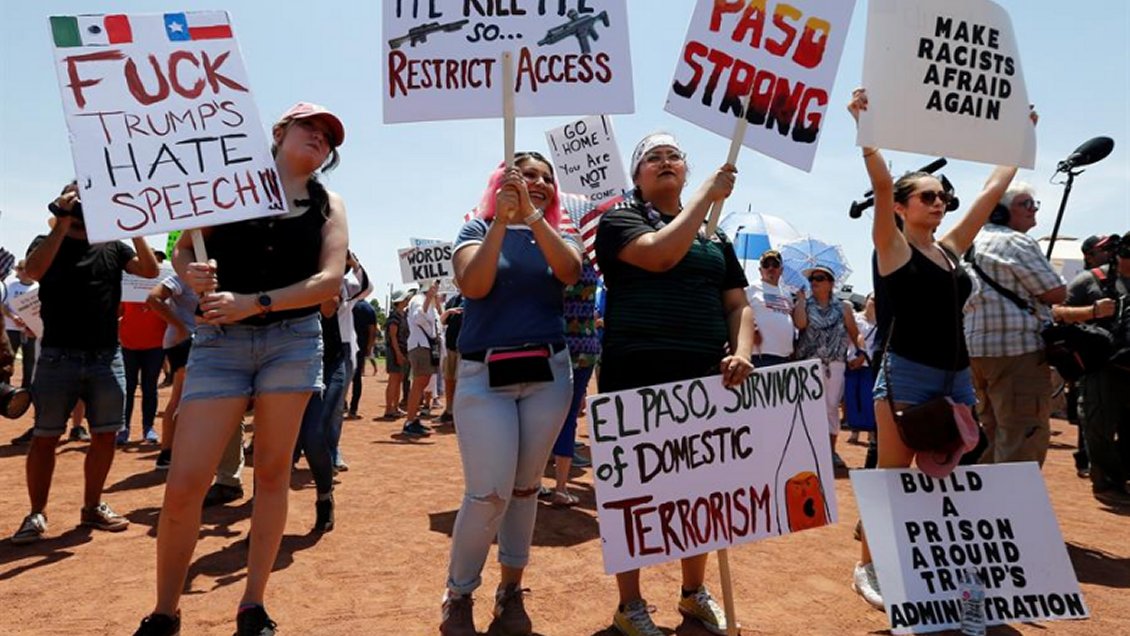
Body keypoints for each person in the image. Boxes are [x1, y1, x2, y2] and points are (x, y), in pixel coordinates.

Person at [133, 101, 348, 636]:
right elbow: (183, 251)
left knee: (272, 475)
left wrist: (256, 302)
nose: (319, 138)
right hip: (219, 343)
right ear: (279, 132)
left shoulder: (329, 204)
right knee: (186, 482)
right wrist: (192, 273)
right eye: (309, 127)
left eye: (327, 136)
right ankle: (165, 611)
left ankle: (253, 605)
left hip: (292, 342)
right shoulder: (226, 185)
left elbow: (329, 280)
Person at [847, 88, 1037, 610]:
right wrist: (867, 132)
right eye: (927, 196)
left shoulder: (951, 252)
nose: (939, 202)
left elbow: (989, 193)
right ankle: (867, 566)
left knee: (951, 473)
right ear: (902, 207)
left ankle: (934, 565)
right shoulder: (891, 249)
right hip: (906, 373)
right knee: (893, 474)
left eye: (941, 198)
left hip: (956, 377)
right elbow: (881, 185)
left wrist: (1019, 137)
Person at [595, 133, 754, 636]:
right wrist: (707, 195)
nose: (665, 162)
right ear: (638, 176)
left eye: (674, 156)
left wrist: (743, 351)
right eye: (653, 158)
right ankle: (630, 605)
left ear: (685, 170)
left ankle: (693, 592)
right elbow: (659, 255)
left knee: (698, 489)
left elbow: (737, 303)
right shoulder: (619, 220)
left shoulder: (715, 236)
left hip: (702, 381)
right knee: (633, 493)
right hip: (634, 375)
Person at [439, 151, 581, 636]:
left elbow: (570, 271)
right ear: (502, 182)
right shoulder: (475, 230)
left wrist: (533, 218)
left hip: (548, 374)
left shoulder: (559, 233)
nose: (537, 181)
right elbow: (473, 285)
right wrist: (500, 222)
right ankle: (459, 594)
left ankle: (510, 592)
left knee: (525, 489)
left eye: (546, 178)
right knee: (488, 494)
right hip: (485, 376)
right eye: (526, 174)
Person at [10, 181, 159, 546]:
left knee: (105, 435)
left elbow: (150, 271)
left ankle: (92, 506)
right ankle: (37, 512)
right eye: (75, 198)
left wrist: (134, 226)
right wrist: (62, 221)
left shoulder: (113, 246)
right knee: (46, 436)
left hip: (105, 356)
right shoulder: (46, 241)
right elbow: (33, 271)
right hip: (57, 356)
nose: (82, 205)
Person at [964, 182, 1066, 466]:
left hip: (977, 353)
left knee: (994, 433)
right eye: (1025, 204)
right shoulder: (1017, 242)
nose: (1033, 210)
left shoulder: (968, 244)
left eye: (1034, 204)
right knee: (1023, 436)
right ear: (998, 211)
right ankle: (1014, 495)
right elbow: (1056, 292)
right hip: (1017, 351)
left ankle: (990, 493)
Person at [1051, 232, 1130, 506]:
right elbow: (1057, 313)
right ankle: (1107, 484)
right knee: (1098, 428)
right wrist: (1093, 312)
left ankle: (1119, 476)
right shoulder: (1090, 280)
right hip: (1102, 367)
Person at [793, 265, 865, 469]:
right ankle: (809, 451)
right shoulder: (805, 305)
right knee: (809, 407)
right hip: (808, 364)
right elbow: (800, 324)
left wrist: (861, 352)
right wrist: (800, 301)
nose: (814, 282)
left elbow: (855, 332)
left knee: (832, 407)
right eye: (812, 279)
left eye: (819, 278)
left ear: (831, 283)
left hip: (835, 363)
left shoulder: (844, 307)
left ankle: (830, 451)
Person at [543, 255, 601, 507]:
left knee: (541, 414)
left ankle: (533, 481)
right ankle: (561, 488)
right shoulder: (594, 267)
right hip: (585, 347)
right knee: (569, 417)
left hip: (553, 345)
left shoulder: (555, 262)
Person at [1069, 233, 1119, 476]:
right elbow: (1060, 313)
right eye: (1104, 249)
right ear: (1089, 256)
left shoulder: (1122, 278)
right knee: (1091, 412)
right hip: (1094, 359)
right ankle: (1086, 459)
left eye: (1113, 248)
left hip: (1121, 358)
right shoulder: (1084, 281)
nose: (1111, 253)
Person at [145, 273, 199, 470]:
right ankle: (169, 452)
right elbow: (153, 298)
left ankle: (169, 452)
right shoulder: (182, 277)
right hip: (184, 343)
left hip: (197, 342)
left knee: (183, 397)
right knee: (182, 398)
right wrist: (182, 328)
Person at [118, 300, 169, 445]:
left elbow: (170, 312)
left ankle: (148, 427)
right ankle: (123, 428)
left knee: (150, 387)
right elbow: (118, 311)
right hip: (128, 343)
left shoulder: (163, 289)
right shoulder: (126, 289)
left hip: (155, 344)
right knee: (127, 388)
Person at [402, 280, 441, 437]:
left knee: (422, 382)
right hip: (420, 345)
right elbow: (419, 317)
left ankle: (412, 419)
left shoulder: (427, 301)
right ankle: (410, 421)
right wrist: (429, 298)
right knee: (419, 383)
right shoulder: (419, 299)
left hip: (424, 345)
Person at [746, 249, 796, 366]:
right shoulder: (750, 289)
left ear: (781, 270)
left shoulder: (787, 293)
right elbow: (739, 314)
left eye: (775, 265)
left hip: (784, 356)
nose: (770, 268)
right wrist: (752, 328)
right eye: (766, 265)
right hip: (759, 355)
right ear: (760, 270)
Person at [381, 288, 412, 420]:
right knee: (394, 380)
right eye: (405, 299)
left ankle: (395, 406)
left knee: (399, 379)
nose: (407, 300)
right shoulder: (394, 317)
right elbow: (393, 337)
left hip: (402, 350)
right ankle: (389, 408)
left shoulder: (403, 315)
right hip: (395, 351)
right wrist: (398, 354)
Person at [347, 297, 378, 419]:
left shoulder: (347, 304)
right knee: (357, 379)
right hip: (360, 346)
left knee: (341, 376)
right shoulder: (368, 308)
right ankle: (353, 409)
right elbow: (372, 330)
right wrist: (369, 347)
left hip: (345, 344)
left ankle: (341, 404)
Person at [438, 291, 464, 425]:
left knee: (461, 381)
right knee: (449, 379)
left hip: (464, 348)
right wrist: (448, 312)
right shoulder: (454, 300)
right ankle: (449, 410)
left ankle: (460, 413)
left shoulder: (474, 298)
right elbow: (442, 321)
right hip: (450, 345)